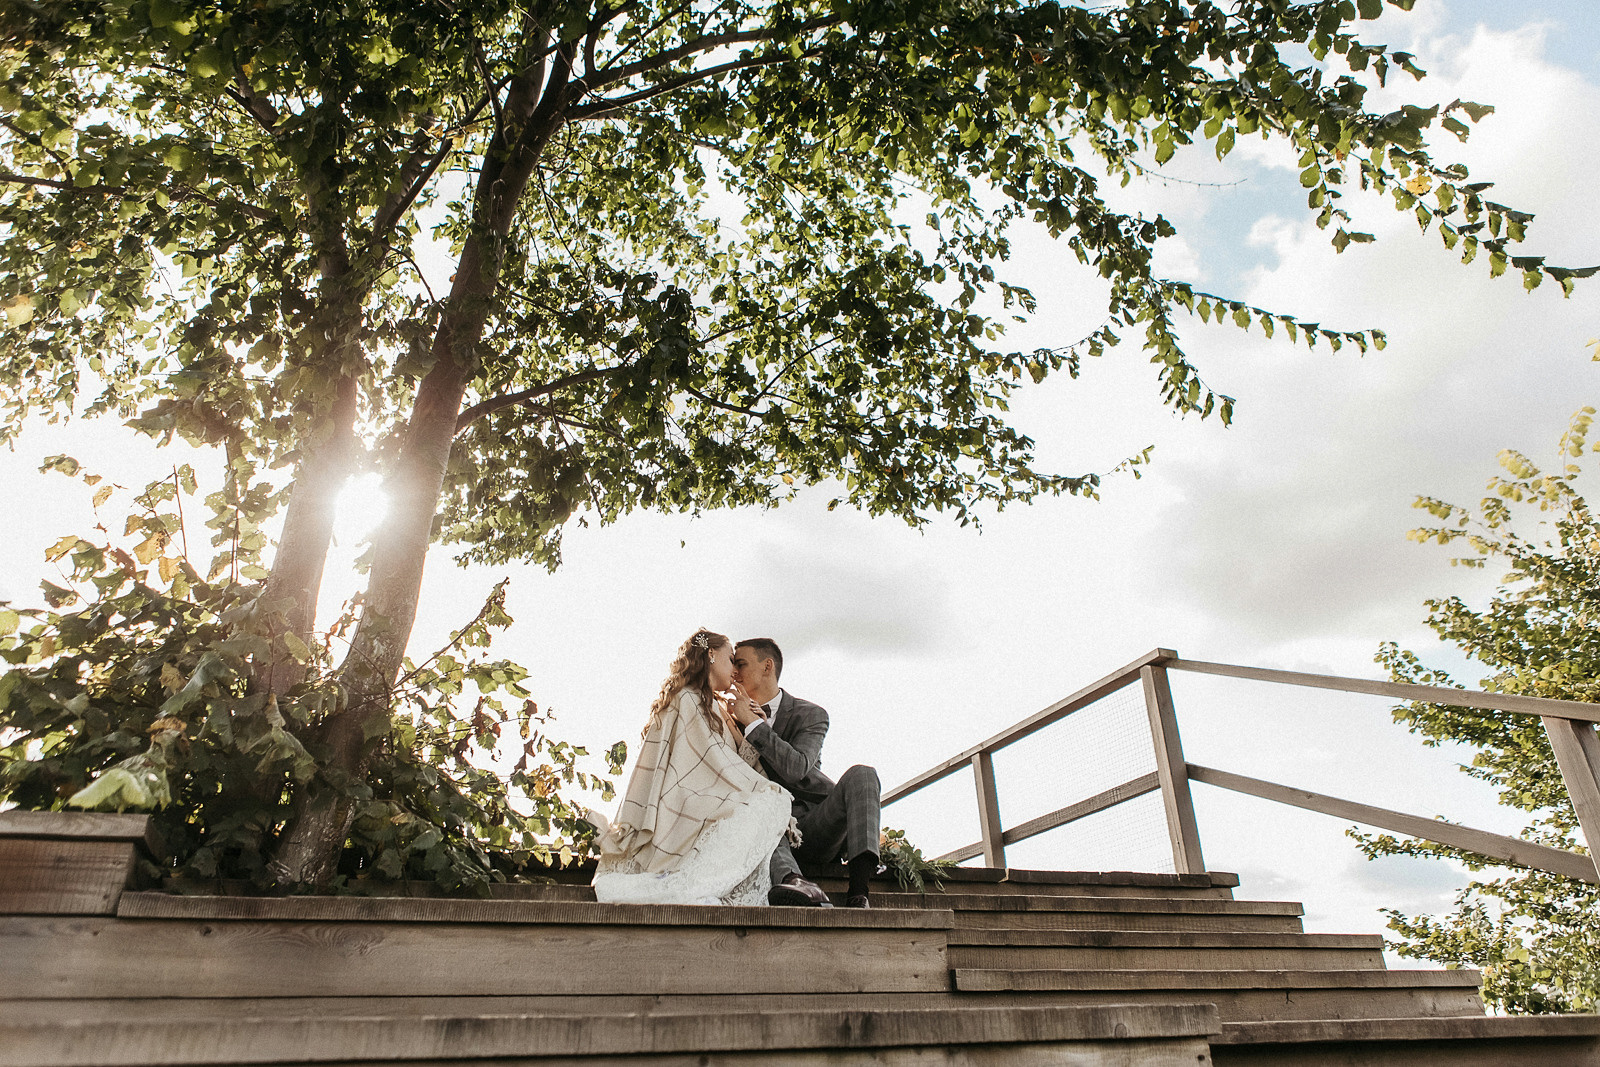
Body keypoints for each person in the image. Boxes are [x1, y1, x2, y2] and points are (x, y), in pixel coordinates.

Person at [590, 629, 797, 906]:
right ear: (711, 655)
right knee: (769, 801)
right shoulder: (687, 698)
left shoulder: (719, 708)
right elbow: (706, 763)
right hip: (688, 797)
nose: (734, 670)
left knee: (770, 802)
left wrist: (750, 723)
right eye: (730, 659)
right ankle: (688, 887)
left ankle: (703, 885)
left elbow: (730, 761)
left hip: (709, 794)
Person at [730, 637, 882, 908]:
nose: (734, 673)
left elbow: (797, 768)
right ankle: (795, 884)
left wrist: (753, 723)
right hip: (764, 828)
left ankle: (859, 892)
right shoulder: (727, 720)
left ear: (767, 666)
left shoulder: (811, 714)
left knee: (863, 774)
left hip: (813, 825)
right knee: (764, 807)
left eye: (740, 664)